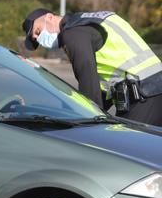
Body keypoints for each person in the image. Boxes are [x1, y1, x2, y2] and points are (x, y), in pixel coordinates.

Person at [23, 8, 162, 126]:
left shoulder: (73, 34)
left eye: (38, 31)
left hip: (143, 96)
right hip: (152, 90)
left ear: (49, 17)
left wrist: (88, 121)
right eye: (36, 40)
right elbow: (101, 91)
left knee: (122, 152)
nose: (40, 39)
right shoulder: (90, 21)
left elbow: (88, 83)